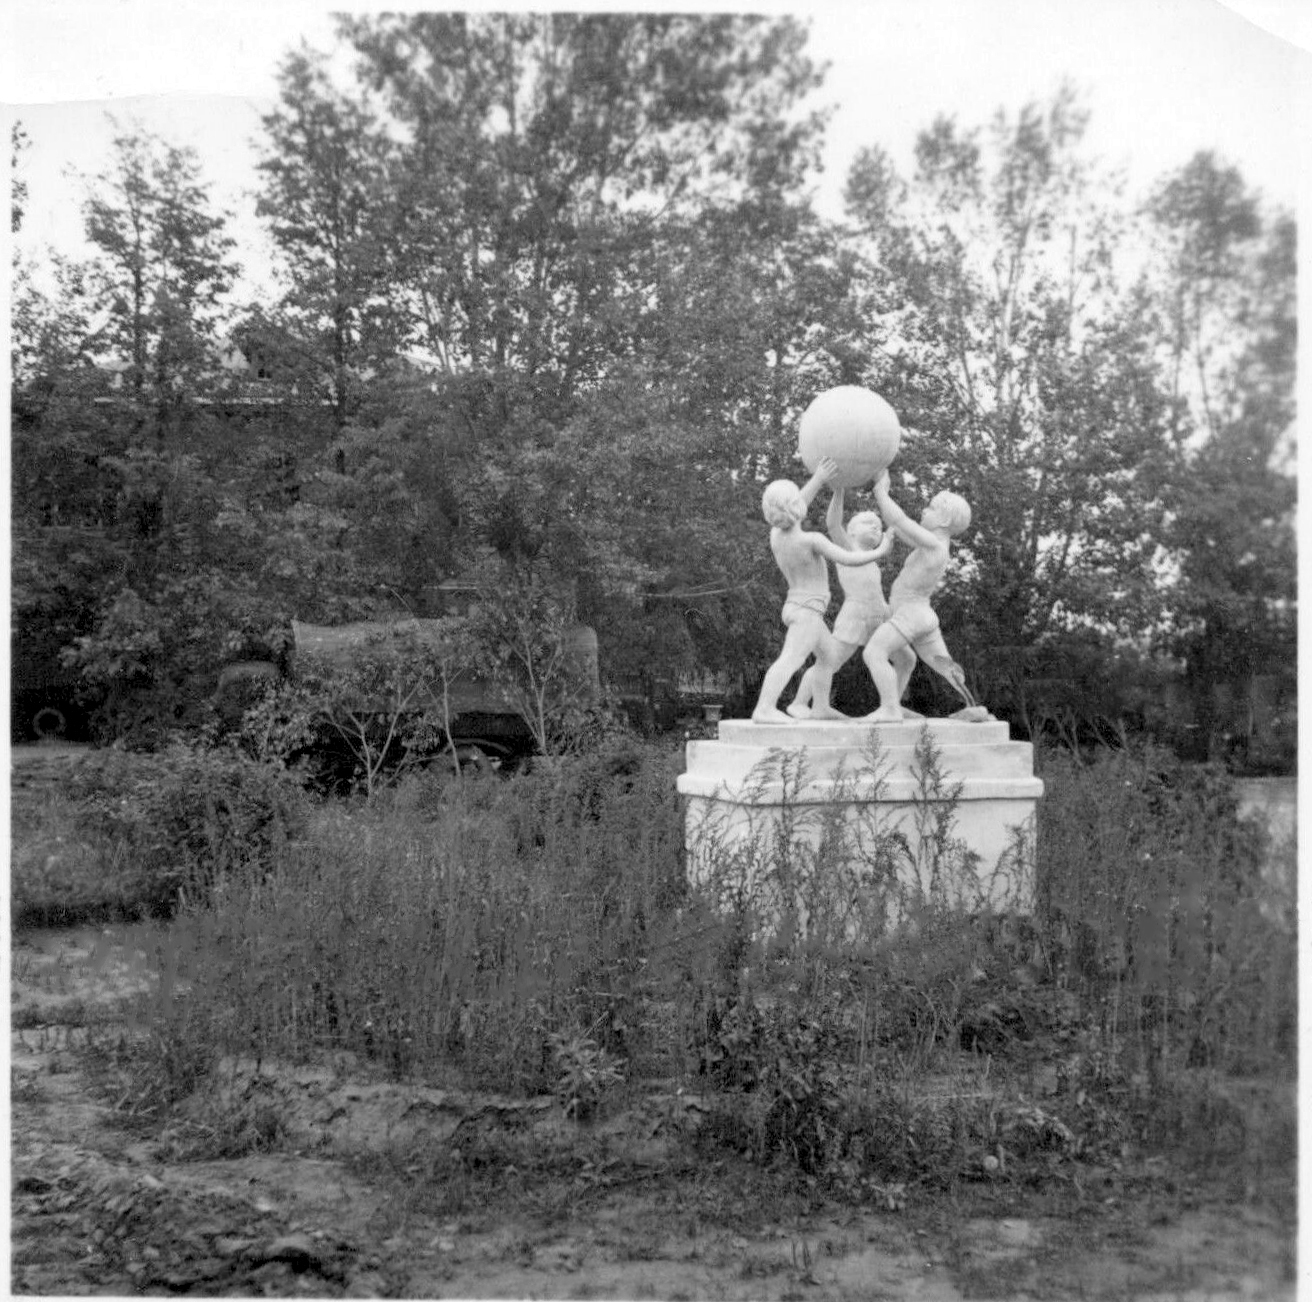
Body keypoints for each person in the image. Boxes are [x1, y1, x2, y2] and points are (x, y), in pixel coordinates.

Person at [752, 458, 887, 724]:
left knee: (829, 657)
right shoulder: (811, 541)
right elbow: (849, 558)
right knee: (790, 659)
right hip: (808, 611)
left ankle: (820, 707)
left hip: (799, 607)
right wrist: (881, 551)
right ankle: (764, 708)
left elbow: (794, 503)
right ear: (794, 507)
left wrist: (819, 479)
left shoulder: (777, 537)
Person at [862, 470, 979, 722]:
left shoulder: (935, 545)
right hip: (922, 615)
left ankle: (889, 708)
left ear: (944, 521)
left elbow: (900, 520)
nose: (925, 511)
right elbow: (898, 527)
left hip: (911, 614)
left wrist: (881, 491)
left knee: (874, 652)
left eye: (931, 508)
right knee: (924, 662)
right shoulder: (933, 545)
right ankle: (972, 704)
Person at [786, 482, 897, 719]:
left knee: (904, 657)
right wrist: (839, 490)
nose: (877, 529)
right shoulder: (848, 548)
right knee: (831, 660)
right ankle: (799, 702)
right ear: (852, 531)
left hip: (878, 615)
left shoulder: (872, 562)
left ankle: (893, 704)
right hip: (855, 616)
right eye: (869, 524)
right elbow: (833, 524)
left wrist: (890, 612)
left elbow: (876, 593)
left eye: (879, 527)